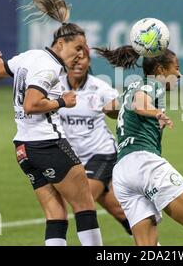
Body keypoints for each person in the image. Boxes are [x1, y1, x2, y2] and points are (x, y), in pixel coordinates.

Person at [0, 0, 103, 246]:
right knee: (84, 205)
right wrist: (62, 101)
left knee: (56, 214)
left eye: (84, 49)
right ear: (60, 44)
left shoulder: (29, 56)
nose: (81, 55)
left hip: (23, 148)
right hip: (47, 143)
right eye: (77, 48)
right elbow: (31, 104)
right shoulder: (49, 68)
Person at [96, 45, 183, 246]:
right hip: (145, 165)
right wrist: (155, 112)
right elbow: (140, 104)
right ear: (160, 70)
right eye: (176, 68)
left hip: (122, 173)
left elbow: (108, 108)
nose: (179, 74)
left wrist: (126, 103)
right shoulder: (152, 84)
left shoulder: (132, 88)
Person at [58, 47, 132, 236]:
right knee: (118, 210)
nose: (77, 62)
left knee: (84, 202)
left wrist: (115, 108)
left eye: (82, 59)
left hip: (102, 153)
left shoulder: (100, 87)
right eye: (73, 58)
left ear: (89, 63)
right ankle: (151, 244)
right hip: (73, 159)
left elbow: (119, 109)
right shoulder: (55, 87)